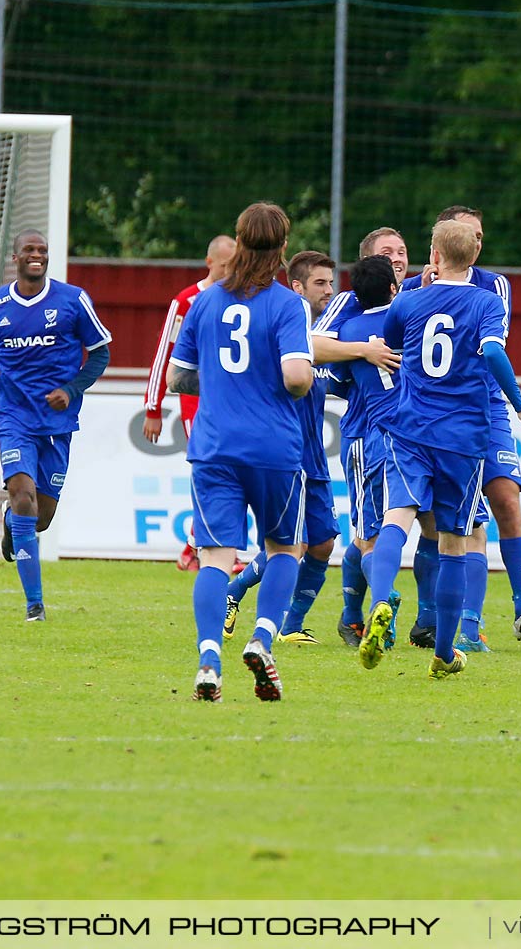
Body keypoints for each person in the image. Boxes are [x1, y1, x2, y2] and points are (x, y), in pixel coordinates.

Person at [357, 218, 521, 679]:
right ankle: (443, 652)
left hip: (410, 429)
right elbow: (495, 354)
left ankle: (381, 602)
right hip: (463, 437)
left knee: (395, 518)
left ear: (433, 257)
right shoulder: (486, 301)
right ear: (474, 257)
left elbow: (394, 351)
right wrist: (520, 408)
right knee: (455, 540)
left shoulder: (410, 301)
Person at [169, 203, 315, 702]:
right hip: (273, 446)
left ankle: (209, 660)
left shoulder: (205, 302)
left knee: (214, 557)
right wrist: (300, 380)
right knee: (284, 548)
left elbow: (177, 376)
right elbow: (297, 377)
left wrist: (223, 381)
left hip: (213, 446)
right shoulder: (287, 304)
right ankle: (261, 639)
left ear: (238, 240)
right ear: (282, 248)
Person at [418, 206, 521, 652]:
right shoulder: (420, 289)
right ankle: (460, 625)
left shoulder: (494, 288)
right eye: (467, 234)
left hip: (486, 405)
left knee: (505, 500)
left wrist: (516, 407)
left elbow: (492, 350)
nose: (475, 242)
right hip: (437, 414)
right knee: (452, 519)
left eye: (479, 235)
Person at [0, 230, 112, 621]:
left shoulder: (73, 300)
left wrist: (72, 387)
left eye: (43, 251)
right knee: (24, 498)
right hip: (13, 417)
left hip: (57, 421)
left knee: (40, 517)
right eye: (30, 250)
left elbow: (100, 353)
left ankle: (10, 524)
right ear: (15, 257)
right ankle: (35, 607)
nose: (37, 256)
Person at [224, 250, 343, 645]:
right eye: (320, 283)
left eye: (331, 282)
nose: (329, 290)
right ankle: (276, 621)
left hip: (315, 456)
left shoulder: (330, 330)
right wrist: (360, 348)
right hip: (284, 454)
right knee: (294, 543)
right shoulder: (285, 327)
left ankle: (255, 601)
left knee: (323, 543)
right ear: (297, 287)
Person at [141, 235, 237, 571]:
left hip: (234, 403)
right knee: (210, 468)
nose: (230, 272)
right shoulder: (187, 301)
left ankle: (196, 546)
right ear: (210, 263)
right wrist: (153, 407)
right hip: (196, 401)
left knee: (228, 470)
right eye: (225, 266)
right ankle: (203, 546)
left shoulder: (239, 299)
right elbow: (164, 355)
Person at [328, 255, 404, 647]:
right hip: (414, 437)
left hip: (369, 436)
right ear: (394, 286)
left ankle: (380, 600)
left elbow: (331, 375)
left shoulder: (351, 329)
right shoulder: (410, 318)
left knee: (366, 536)